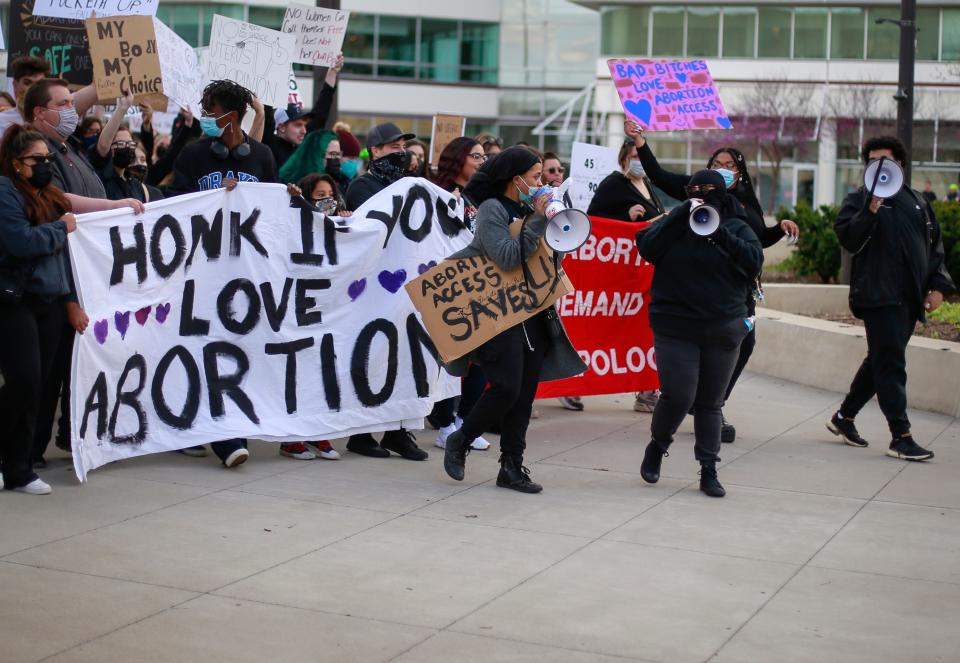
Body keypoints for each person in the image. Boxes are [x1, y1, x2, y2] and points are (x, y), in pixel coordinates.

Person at [630, 120, 800, 441]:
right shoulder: (699, 189)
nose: (723, 169)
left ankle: (712, 402)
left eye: (730, 165)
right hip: (699, 290)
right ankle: (707, 407)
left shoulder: (747, 201)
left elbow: (756, 241)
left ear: (740, 170)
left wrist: (779, 229)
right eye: (717, 164)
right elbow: (660, 177)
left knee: (744, 345)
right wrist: (641, 143)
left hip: (738, 288)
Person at [0, 125, 143, 493]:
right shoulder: (5, 192)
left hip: (48, 300)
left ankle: (19, 469)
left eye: (48, 159)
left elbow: (74, 206)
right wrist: (60, 230)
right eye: (37, 160)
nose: (45, 165)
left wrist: (116, 206)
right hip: (14, 301)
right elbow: (19, 241)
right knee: (24, 380)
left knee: (37, 387)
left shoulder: (46, 193)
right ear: (16, 164)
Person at [442, 146, 586, 493]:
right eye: (536, 177)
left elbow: (548, 260)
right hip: (499, 314)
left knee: (524, 394)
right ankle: (461, 438)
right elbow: (506, 258)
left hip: (534, 313)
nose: (542, 183)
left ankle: (512, 466)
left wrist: (556, 228)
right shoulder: (494, 209)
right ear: (515, 179)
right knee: (506, 386)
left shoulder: (528, 208)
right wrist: (537, 220)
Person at [167, 80, 281, 467]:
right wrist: (215, 196)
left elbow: (271, 212)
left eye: (210, 108)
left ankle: (229, 431)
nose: (206, 116)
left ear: (231, 116)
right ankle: (223, 437)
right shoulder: (194, 155)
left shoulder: (262, 155)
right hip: (201, 270)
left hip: (244, 273)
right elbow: (174, 206)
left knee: (236, 352)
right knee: (203, 349)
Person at [635, 170, 763, 498]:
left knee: (710, 403)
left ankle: (709, 468)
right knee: (678, 395)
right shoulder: (674, 224)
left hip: (722, 329)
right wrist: (679, 215)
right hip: (675, 326)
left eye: (709, 190)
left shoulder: (737, 225)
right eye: (695, 190)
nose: (702, 194)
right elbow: (647, 247)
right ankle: (658, 445)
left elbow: (754, 261)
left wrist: (720, 234)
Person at [828, 136, 955, 461]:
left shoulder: (917, 201)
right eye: (872, 162)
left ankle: (844, 417)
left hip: (908, 299)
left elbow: (934, 248)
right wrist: (870, 211)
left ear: (900, 164)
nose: (879, 167)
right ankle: (901, 435)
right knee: (891, 364)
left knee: (881, 360)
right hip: (878, 295)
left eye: (885, 161)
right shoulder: (859, 199)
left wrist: (938, 285)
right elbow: (849, 238)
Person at [340, 122, 430, 462]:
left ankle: (398, 431)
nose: (401, 152)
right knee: (371, 357)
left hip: (405, 284)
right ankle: (361, 434)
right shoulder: (364, 186)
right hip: (374, 287)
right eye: (393, 147)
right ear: (375, 151)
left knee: (406, 356)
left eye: (404, 146)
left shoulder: (412, 185)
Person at [585, 135, 666, 414]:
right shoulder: (614, 184)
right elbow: (593, 222)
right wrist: (626, 217)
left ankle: (648, 389)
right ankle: (644, 390)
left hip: (646, 269)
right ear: (623, 158)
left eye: (643, 158)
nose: (639, 163)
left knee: (646, 328)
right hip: (623, 271)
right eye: (634, 157)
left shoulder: (649, 185)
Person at [426, 137, 491, 451]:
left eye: (482, 156)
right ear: (459, 160)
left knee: (479, 359)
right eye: (475, 156)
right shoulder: (439, 194)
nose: (481, 162)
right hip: (448, 286)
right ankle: (444, 422)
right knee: (449, 359)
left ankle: (466, 421)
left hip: (477, 284)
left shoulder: (478, 195)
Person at [89, 94, 147, 203]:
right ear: (110, 148)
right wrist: (122, 109)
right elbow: (103, 145)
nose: (127, 148)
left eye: (130, 144)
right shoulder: (101, 178)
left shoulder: (135, 184)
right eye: (121, 144)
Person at [278, 130, 350, 193]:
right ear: (316, 156)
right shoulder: (294, 187)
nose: (336, 159)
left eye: (338, 154)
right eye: (332, 154)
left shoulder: (343, 183)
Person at [0, 56, 51, 136]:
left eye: (39, 84)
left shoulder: (54, 119)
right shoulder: (2, 121)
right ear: (15, 86)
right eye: (27, 83)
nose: (33, 89)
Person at [265, 104, 313, 170]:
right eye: (298, 125)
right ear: (282, 127)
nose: (304, 131)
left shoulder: (302, 151)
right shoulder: (269, 145)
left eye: (305, 125)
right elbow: (268, 121)